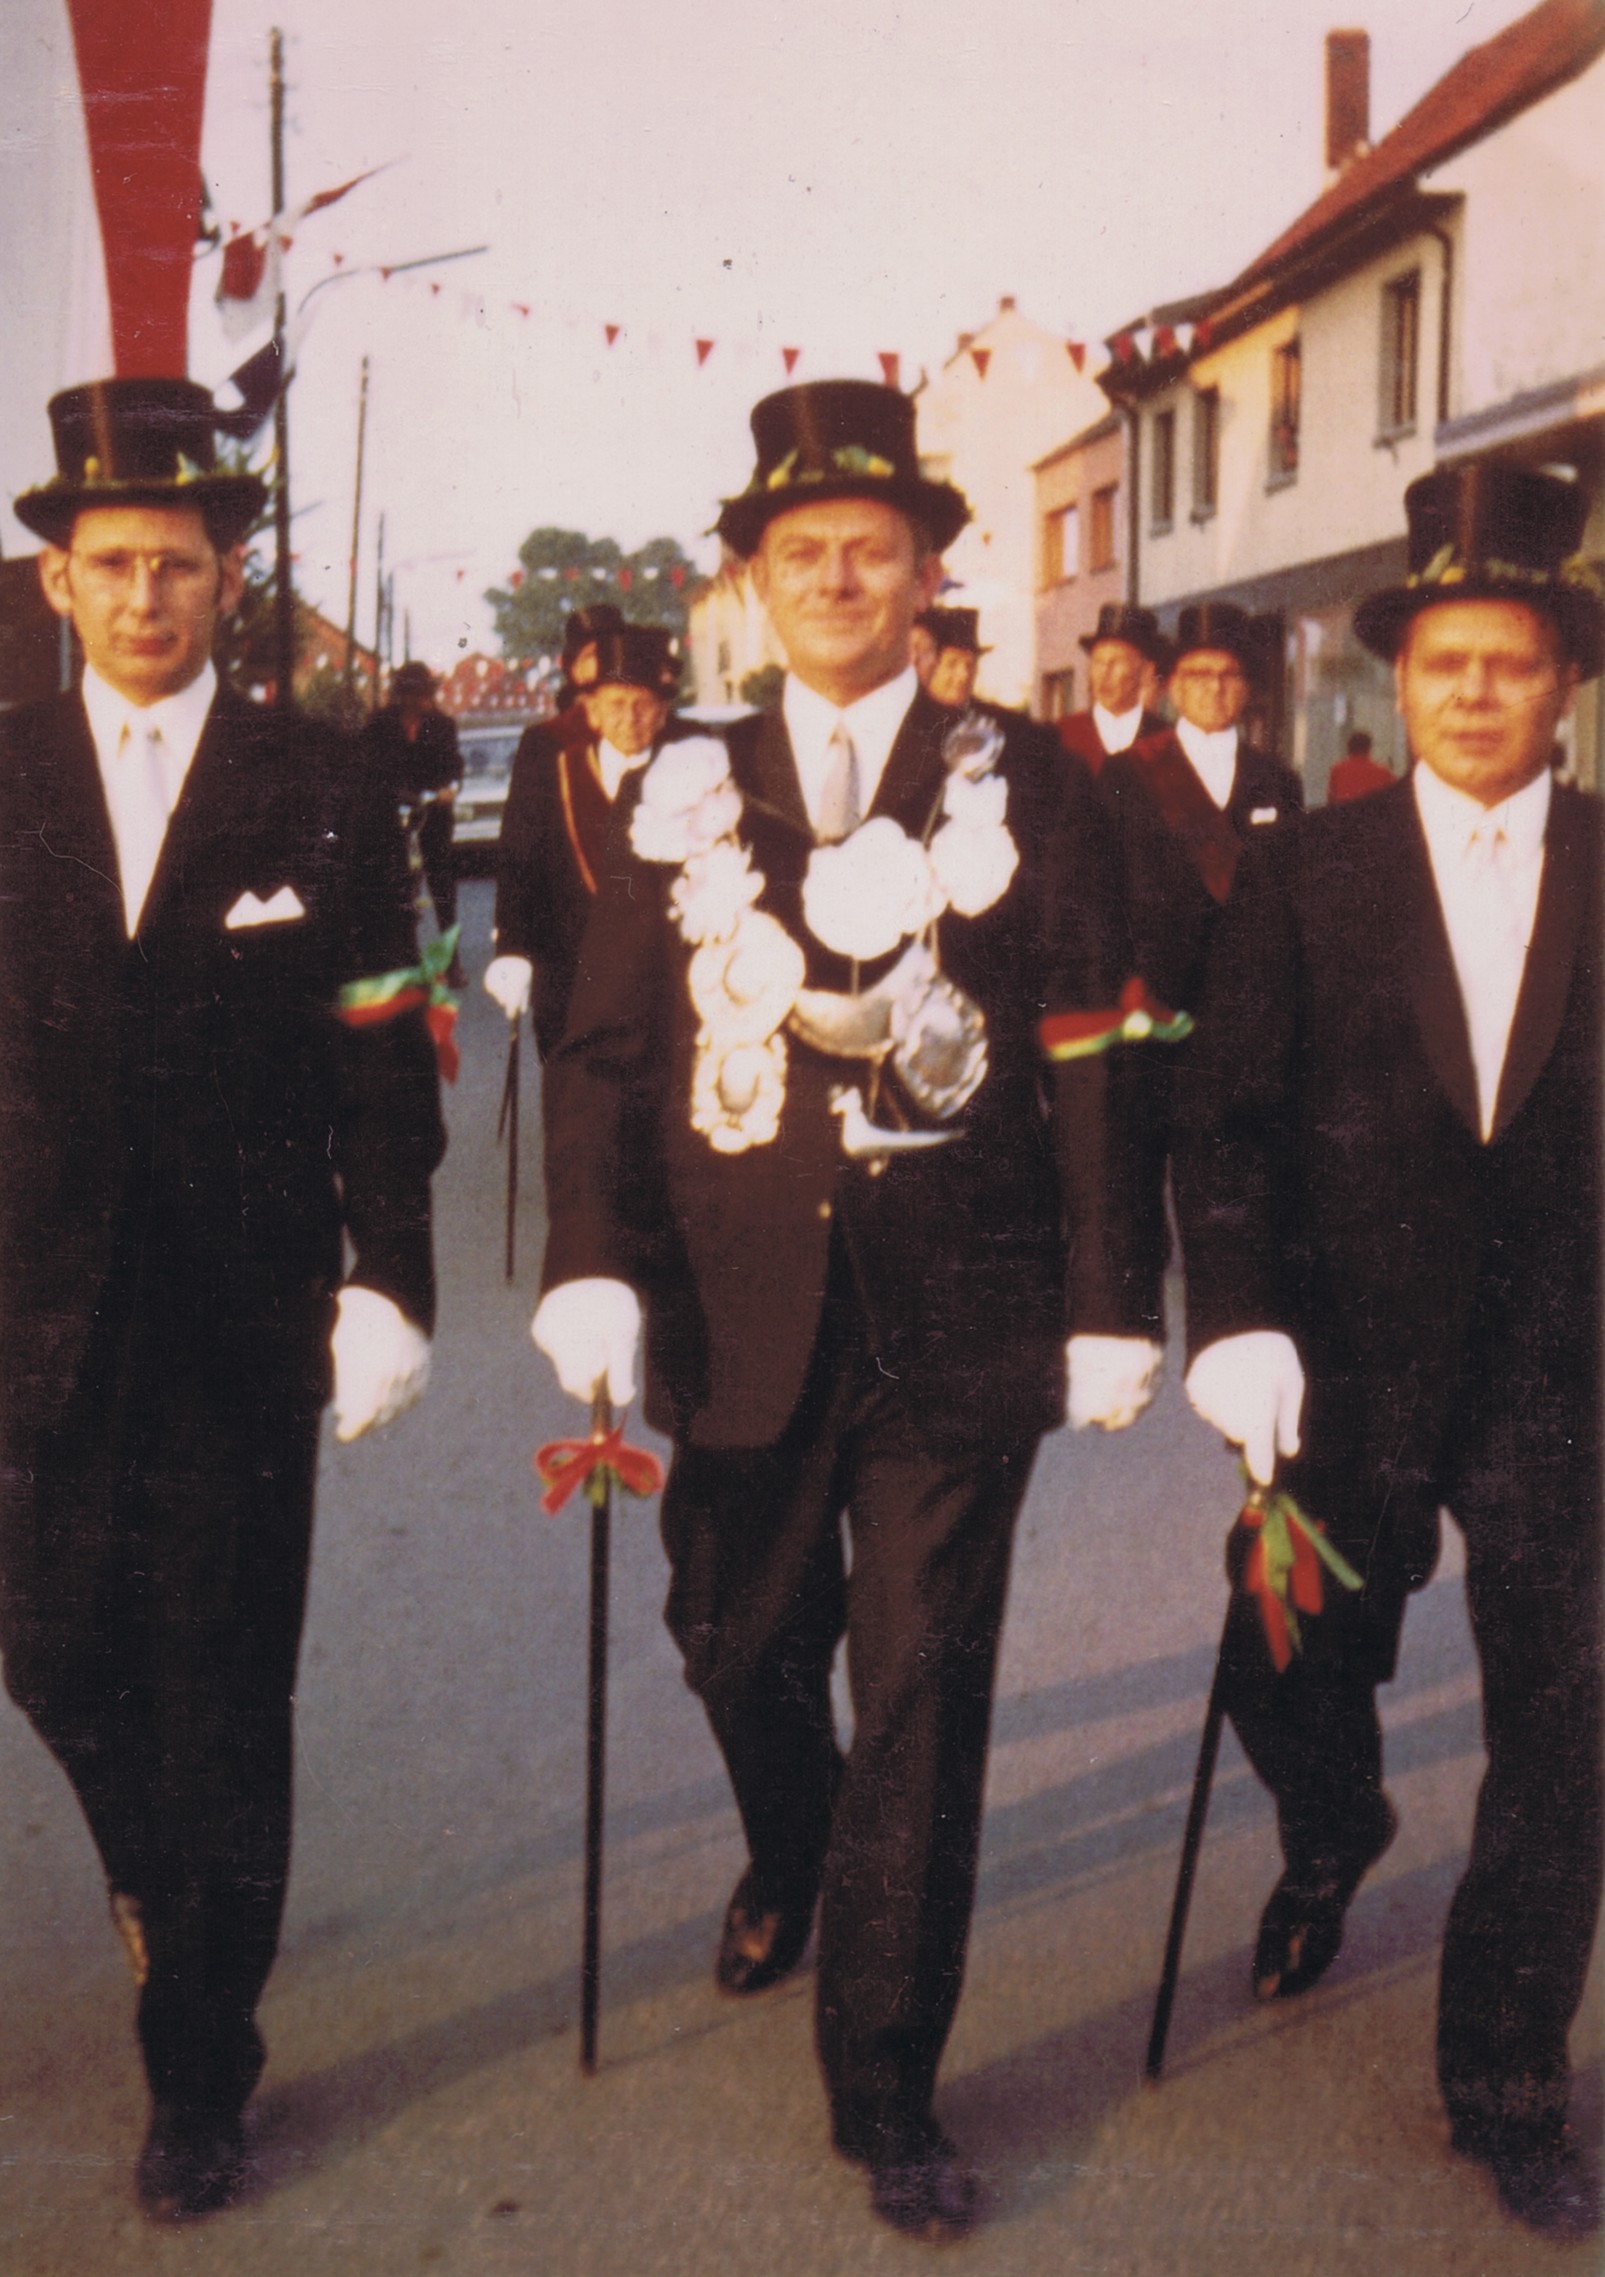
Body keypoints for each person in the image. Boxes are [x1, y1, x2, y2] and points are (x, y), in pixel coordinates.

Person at [529, 379, 1163, 2240]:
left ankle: (886, 2081)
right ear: (754, 577)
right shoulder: (681, 781)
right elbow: (604, 1050)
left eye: (867, 550)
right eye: (798, 551)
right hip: (736, 1312)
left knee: (922, 1696)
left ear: (924, 573)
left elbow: (1089, 1045)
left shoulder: (1025, 776)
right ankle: (794, 1844)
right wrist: (588, 1260)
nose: (832, 578)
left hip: (958, 1317)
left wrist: (1109, 1298)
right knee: (732, 1642)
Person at [0, 378, 445, 2221]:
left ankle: (200, 2067)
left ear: (228, 574)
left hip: (236, 1325)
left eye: (176, 564)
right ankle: (152, 1878)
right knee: (47, 1650)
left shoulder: (321, 784)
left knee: (222, 1697)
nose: (144, 597)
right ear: (58, 580)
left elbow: (385, 1057)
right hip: (24, 1313)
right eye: (110, 564)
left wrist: (391, 1278)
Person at [1176, 463, 1602, 2239]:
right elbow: (1223, 1122)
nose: (1475, 691)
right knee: (1286, 1658)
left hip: (1565, 1373)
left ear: (1564, 679)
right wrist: (1238, 1321)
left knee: (1571, 1720)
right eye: (1445, 663)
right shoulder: (1307, 872)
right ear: (1400, 679)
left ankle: (1504, 2077)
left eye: (1510, 661)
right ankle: (1334, 1824)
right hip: (1346, 1358)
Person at [1097, 600, 1302, 1318]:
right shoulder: (1127, 774)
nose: (1213, 689)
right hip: (1147, 1024)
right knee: (1131, 1219)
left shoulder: (1277, 781)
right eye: (1197, 674)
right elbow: (1100, 903)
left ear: (1247, 688)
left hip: (1236, 1033)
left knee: (1229, 1227)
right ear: (1171, 685)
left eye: (1228, 675)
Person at [485, 620, 689, 1058]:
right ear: (592, 709)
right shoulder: (560, 764)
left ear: (662, 711)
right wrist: (513, 949)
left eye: (643, 704)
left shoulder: (693, 760)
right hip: (573, 984)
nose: (629, 718)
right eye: (616, 704)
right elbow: (520, 859)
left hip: (670, 995)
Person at [360, 659, 463, 980]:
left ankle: (452, 961)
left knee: (442, 885)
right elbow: (367, 765)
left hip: (433, 813)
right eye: (408, 694)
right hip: (391, 812)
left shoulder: (443, 725)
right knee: (395, 886)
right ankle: (406, 959)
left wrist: (449, 789)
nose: (414, 701)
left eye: (420, 695)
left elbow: (454, 768)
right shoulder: (379, 724)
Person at [1054, 602, 1169, 776]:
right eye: (1098, 662)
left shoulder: (1166, 741)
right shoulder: (1063, 734)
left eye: (1116, 662)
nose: (1104, 673)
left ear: (1145, 672)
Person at [911, 603, 988, 708]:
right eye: (952, 664)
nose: (964, 675)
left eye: (970, 665)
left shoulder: (988, 715)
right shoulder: (901, 712)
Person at [1327, 726, 1395, 803]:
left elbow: (1331, 801)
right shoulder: (1384, 773)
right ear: (1369, 748)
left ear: (1349, 748)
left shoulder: (1337, 770)